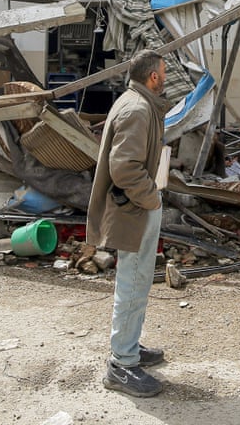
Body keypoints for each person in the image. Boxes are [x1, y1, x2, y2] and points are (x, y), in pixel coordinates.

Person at [87, 49, 169, 397]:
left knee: (136, 283)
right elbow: (125, 168)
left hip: (136, 208)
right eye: (164, 72)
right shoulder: (137, 109)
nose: (166, 77)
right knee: (133, 284)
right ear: (153, 77)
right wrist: (152, 197)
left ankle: (129, 348)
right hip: (135, 211)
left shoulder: (136, 102)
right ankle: (121, 364)